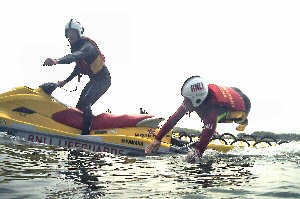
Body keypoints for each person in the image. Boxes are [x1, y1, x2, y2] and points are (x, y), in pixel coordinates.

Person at [145, 76, 251, 161]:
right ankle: (211, 129)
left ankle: (244, 122)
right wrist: (157, 139)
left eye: (187, 99)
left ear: (197, 99)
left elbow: (201, 146)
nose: (184, 101)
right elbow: (174, 119)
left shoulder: (212, 112)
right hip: (232, 91)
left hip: (243, 104)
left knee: (237, 119)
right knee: (208, 126)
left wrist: (193, 156)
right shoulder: (192, 100)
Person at [43, 19, 111, 135]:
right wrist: (66, 81)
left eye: (72, 33)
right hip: (94, 80)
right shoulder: (76, 47)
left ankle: (86, 134)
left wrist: (56, 61)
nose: (70, 36)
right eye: (68, 33)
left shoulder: (87, 46)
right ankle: (78, 129)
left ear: (79, 33)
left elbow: (75, 56)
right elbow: (79, 68)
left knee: (85, 103)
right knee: (80, 106)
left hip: (103, 80)